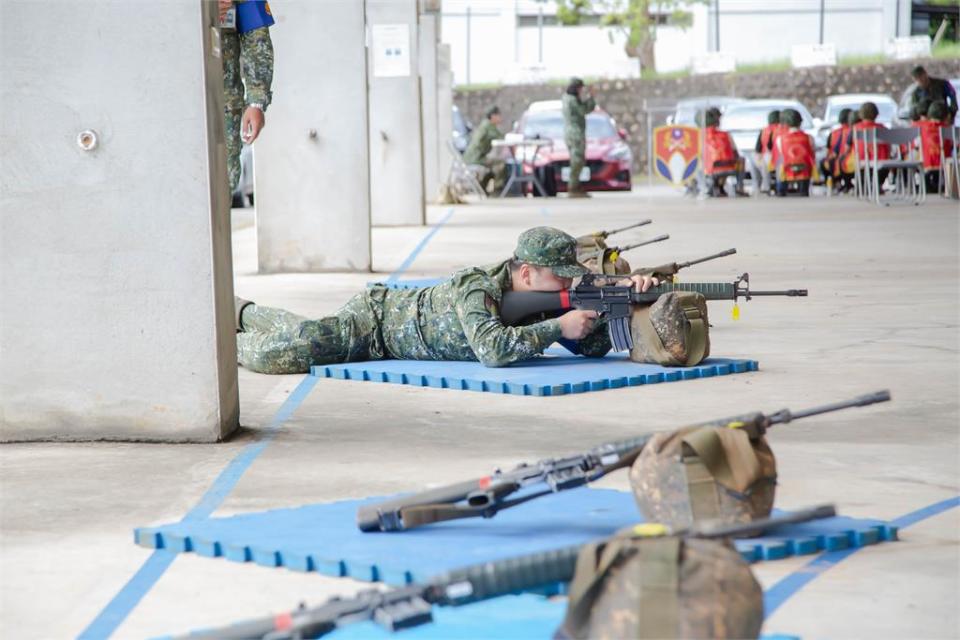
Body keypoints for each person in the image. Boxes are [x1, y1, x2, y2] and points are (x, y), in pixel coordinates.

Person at [235, 227, 659, 374]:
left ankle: (243, 313)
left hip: (388, 345)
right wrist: (556, 328)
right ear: (525, 273)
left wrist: (622, 302)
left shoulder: (547, 300)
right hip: (375, 323)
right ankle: (231, 330)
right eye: (558, 278)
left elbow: (591, 346)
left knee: (301, 333)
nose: (565, 286)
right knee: (291, 349)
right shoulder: (475, 287)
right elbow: (491, 350)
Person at [219, 0, 275, 192]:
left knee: (222, 184)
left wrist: (256, 102)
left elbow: (255, 36)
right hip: (165, 99)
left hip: (222, 103)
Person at [562, 78, 597, 198]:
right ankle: (573, 186)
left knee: (577, 159)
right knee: (577, 160)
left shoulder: (567, 98)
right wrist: (591, 98)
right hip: (575, 133)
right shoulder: (572, 100)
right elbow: (584, 110)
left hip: (571, 133)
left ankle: (575, 185)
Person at [462, 106, 507, 195]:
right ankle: (497, 190)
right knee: (500, 164)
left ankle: (483, 187)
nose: (500, 118)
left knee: (493, 164)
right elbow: (500, 137)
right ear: (493, 116)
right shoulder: (488, 126)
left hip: (474, 157)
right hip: (475, 159)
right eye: (499, 116)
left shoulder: (486, 124)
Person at [772, 109, 816, 197]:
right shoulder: (809, 137)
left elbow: (779, 153)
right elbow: (812, 152)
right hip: (805, 169)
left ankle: (780, 189)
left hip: (786, 168)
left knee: (779, 163)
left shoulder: (780, 139)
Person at [848, 102, 890, 192]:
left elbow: (849, 146)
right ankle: (877, 184)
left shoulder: (855, 128)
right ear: (876, 114)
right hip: (881, 164)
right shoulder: (883, 128)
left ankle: (863, 185)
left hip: (862, 163)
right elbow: (888, 147)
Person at [703, 108, 745, 197]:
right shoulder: (726, 134)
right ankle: (739, 187)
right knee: (740, 160)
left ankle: (714, 187)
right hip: (728, 167)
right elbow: (735, 152)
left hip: (709, 169)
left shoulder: (699, 136)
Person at [917, 101, 954, 193]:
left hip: (925, 164)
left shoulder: (921, 127)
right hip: (944, 163)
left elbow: (915, 144)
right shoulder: (948, 129)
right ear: (946, 115)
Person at [750, 110, 781, 195]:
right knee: (765, 161)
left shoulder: (764, 130)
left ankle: (759, 187)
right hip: (783, 158)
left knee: (754, 160)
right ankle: (766, 186)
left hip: (772, 159)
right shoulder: (784, 129)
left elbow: (758, 149)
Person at [821, 108, 851, 192]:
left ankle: (835, 183)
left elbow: (829, 151)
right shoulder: (853, 130)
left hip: (839, 160)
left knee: (826, 162)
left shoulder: (833, 133)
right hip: (850, 159)